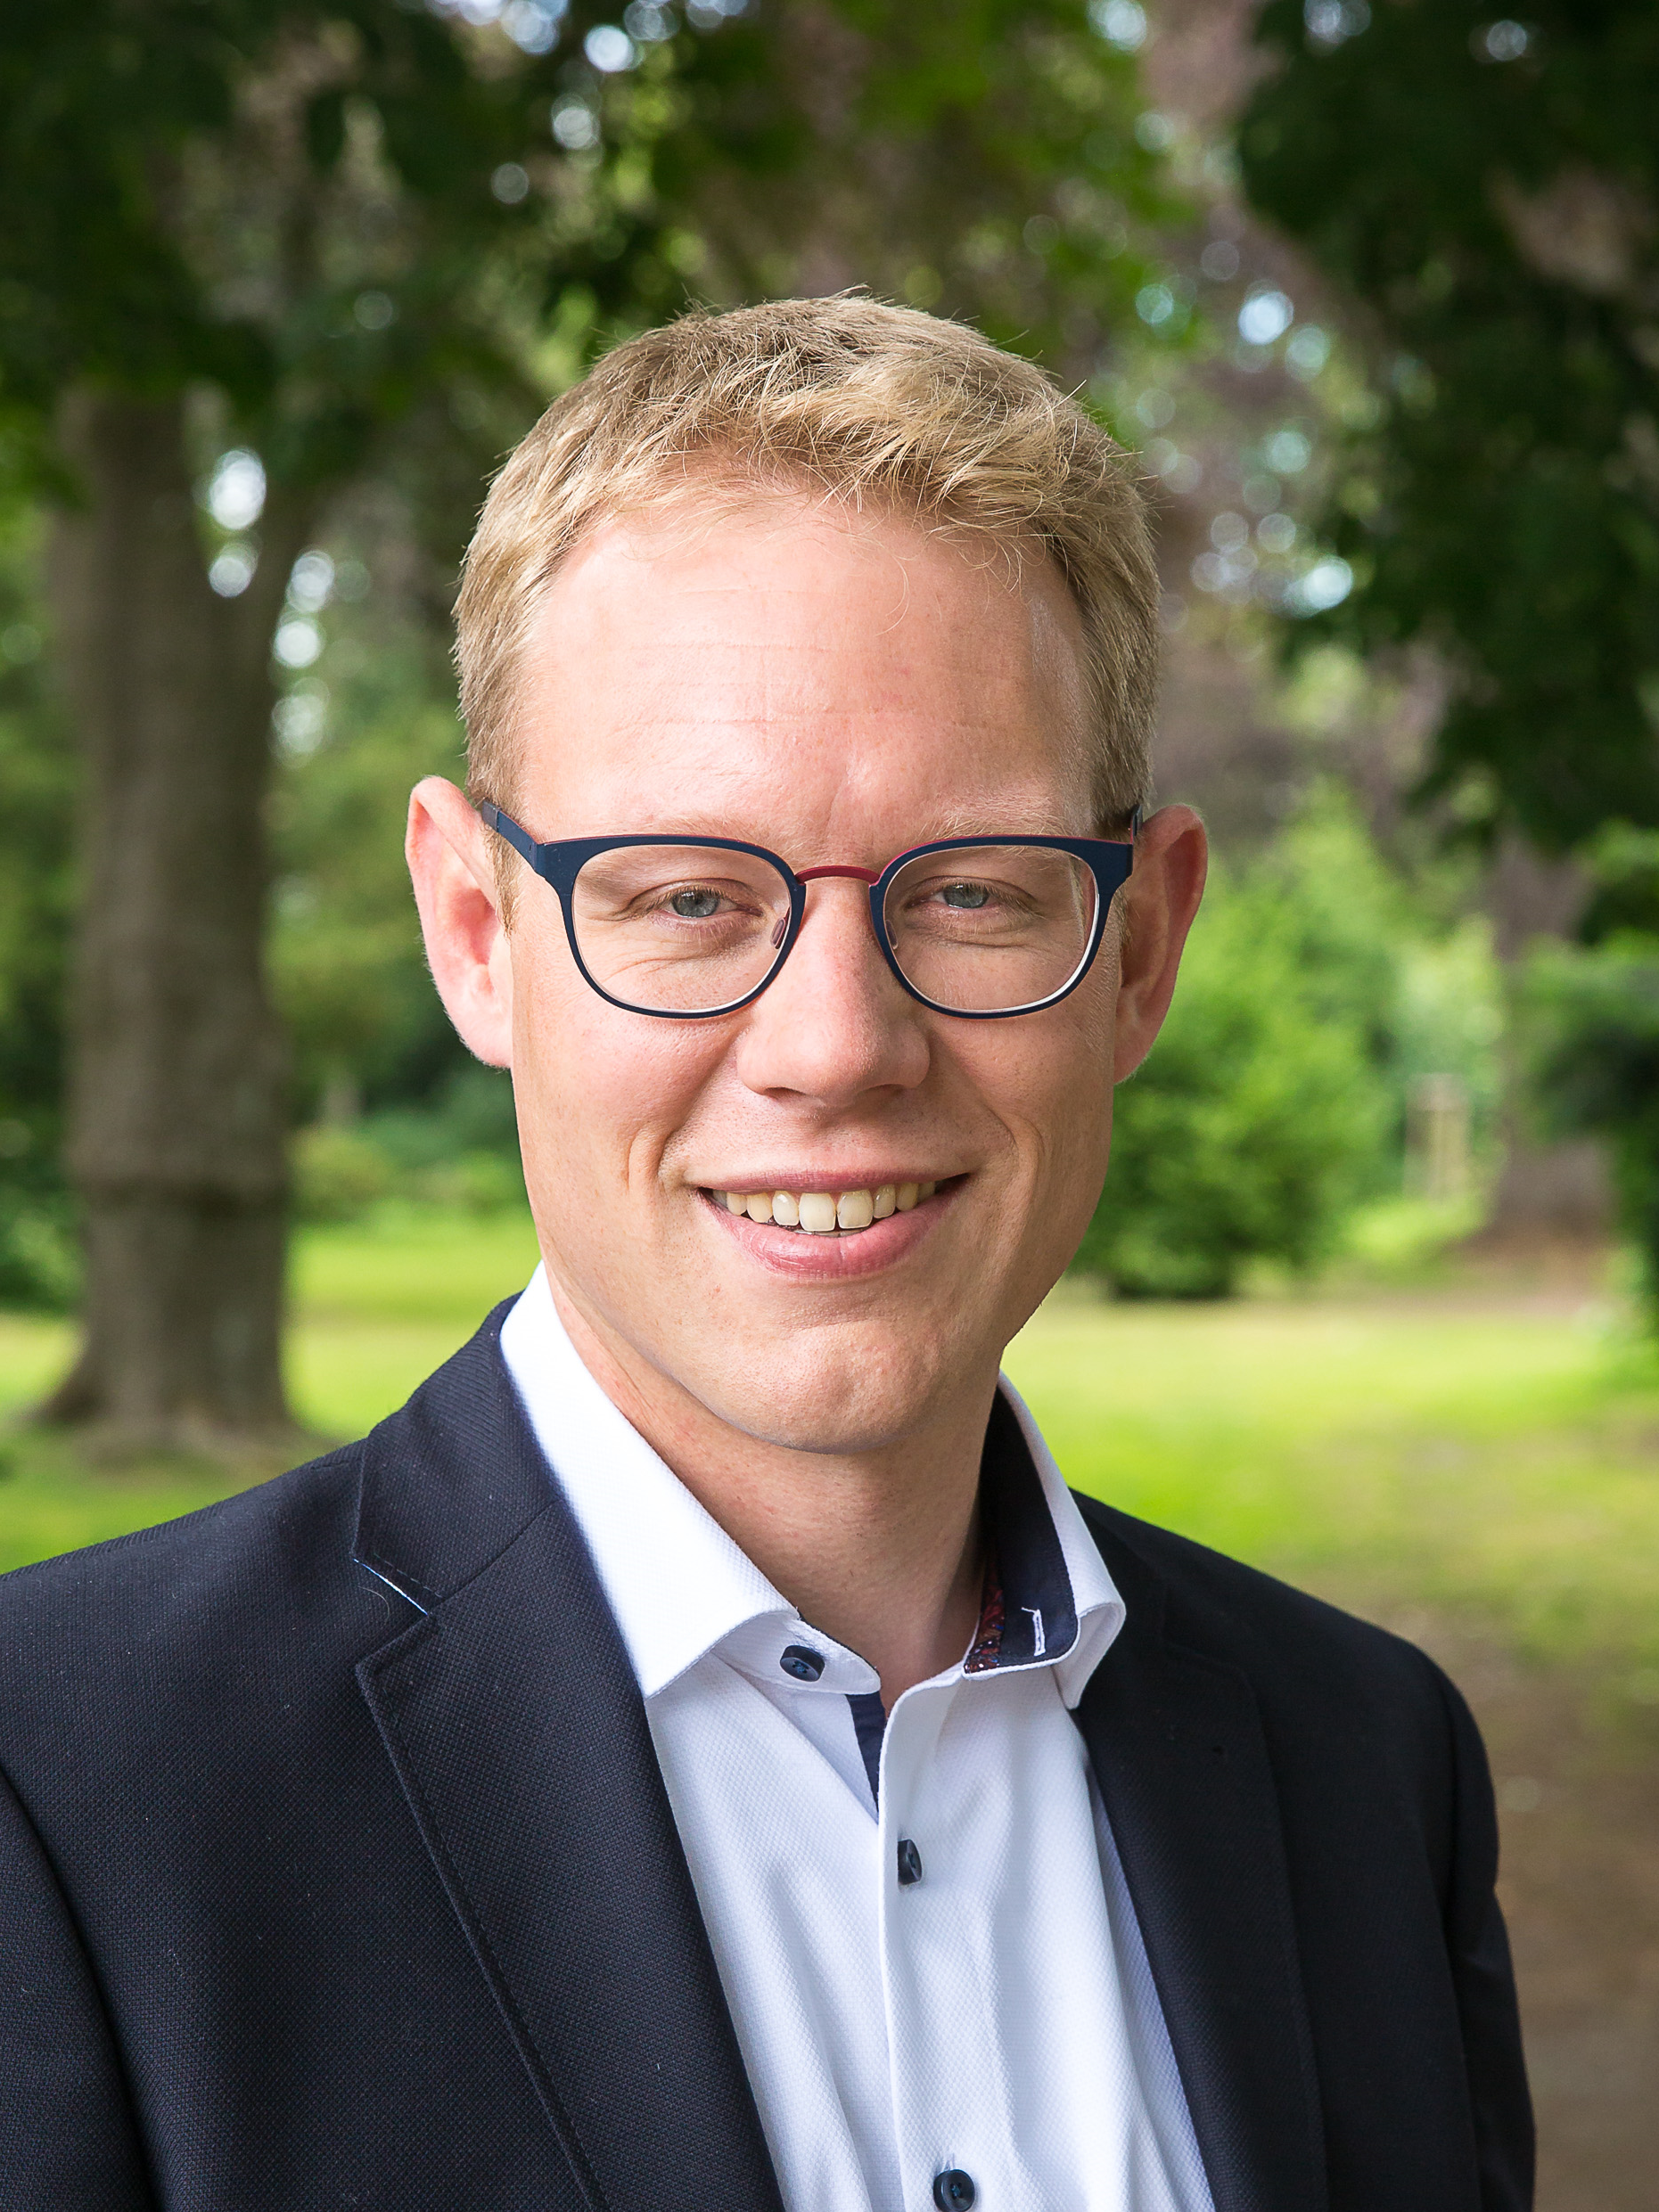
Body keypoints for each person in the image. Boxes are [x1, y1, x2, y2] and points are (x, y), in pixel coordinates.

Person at [0, 299, 1531, 2212]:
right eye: (688, 897)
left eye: (970, 890)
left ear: (1139, 950)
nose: (835, 1045)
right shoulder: (63, 1798)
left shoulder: (1368, 1772)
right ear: (475, 933)